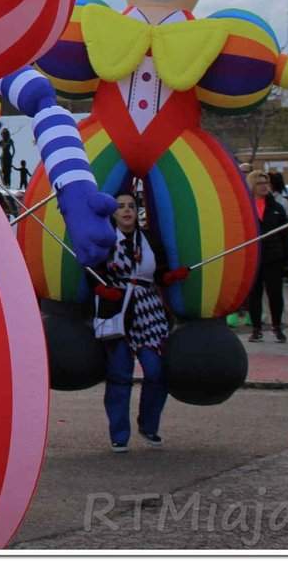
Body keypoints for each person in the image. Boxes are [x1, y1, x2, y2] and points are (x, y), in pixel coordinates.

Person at [94, 189, 187, 452]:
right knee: (119, 375)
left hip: (149, 311)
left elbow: (160, 274)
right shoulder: (104, 239)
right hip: (117, 311)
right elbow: (92, 272)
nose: (126, 210)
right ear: (113, 213)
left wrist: (171, 277)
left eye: (131, 206)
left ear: (137, 211)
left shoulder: (150, 239)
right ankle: (119, 434)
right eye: (121, 206)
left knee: (157, 372)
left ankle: (148, 425)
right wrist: (101, 289)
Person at [243, 169, 288, 343]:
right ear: (252, 185)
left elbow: (285, 234)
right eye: (260, 183)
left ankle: (277, 326)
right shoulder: (245, 207)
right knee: (254, 294)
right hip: (254, 257)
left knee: (275, 293)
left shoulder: (276, 207)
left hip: (273, 256)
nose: (265, 186)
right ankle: (256, 328)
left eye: (266, 183)